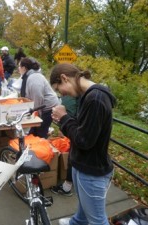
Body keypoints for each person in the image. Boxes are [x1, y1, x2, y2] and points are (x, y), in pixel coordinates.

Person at [50, 63, 116, 225]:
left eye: (59, 89)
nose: (62, 94)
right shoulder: (88, 96)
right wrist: (64, 120)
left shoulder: (95, 99)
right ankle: (76, 223)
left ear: (64, 78)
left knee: (97, 220)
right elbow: (83, 129)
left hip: (92, 171)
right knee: (84, 210)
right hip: (83, 165)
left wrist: (64, 118)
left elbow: (84, 140)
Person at [19, 57, 60, 138]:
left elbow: (38, 97)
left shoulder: (34, 77)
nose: (18, 69)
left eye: (19, 66)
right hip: (41, 107)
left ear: (24, 68)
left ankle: (42, 147)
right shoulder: (28, 76)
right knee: (33, 132)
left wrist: (37, 115)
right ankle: (34, 146)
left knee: (40, 132)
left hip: (47, 108)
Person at [50, 96, 80, 196]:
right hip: (76, 129)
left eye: (58, 88)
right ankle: (72, 183)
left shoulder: (72, 96)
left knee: (73, 157)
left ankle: (67, 187)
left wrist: (64, 128)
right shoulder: (83, 95)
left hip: (75, 131)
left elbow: (69, 114)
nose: (60, 92)